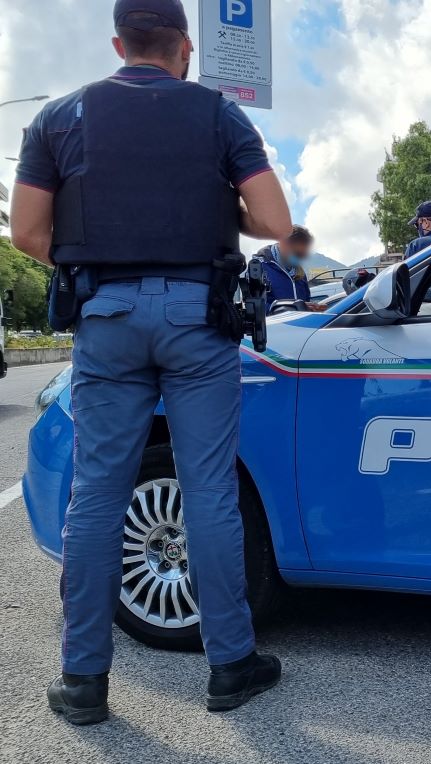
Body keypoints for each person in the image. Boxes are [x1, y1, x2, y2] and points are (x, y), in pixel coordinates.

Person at [9, 0, 292, 725]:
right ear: (185, 47)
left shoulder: (58, 119)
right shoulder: (219, 116)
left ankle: (82, 684)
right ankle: (231, 666)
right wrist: (204, 205)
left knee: (98, 497)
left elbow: (28, 232)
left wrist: (99, 261)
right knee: (209, 493)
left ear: (118, 43)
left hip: (103, 318)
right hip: (198, 318)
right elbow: (275, 222)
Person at [259, 225, 321, 311]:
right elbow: (255, 308)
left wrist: (311, 309)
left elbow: (305, 302)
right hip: (274, 324)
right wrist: (290, 309)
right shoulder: (259, 268)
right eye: (298, 254)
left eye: (303, 256)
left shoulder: (300, 273)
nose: (300, 259)